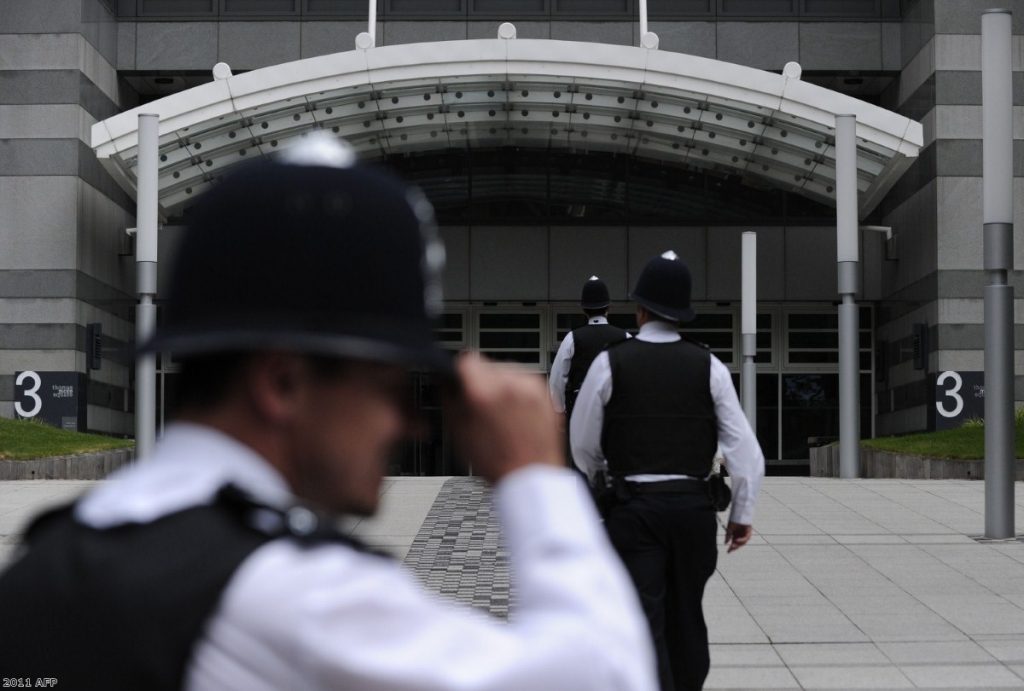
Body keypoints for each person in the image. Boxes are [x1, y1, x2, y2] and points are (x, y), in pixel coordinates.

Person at [0, 136, 657, 691]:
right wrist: (531, 472)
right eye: (393, 386)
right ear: (283, 383)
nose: (415, 423)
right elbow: (607, 674)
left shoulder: (54, 555)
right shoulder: (295, 598)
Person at [570, 251, 765, 691]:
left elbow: (582, 444)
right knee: (687, 615)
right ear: (682, 313)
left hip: (634, 510)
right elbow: (746, 454)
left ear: (640, 310)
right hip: (694, 512)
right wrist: (742, 515)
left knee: (643, 620)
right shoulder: (709, 366)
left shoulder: (611, 363)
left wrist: (604, 479)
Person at [548, 275, 629, 422]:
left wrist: (559, 411)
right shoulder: (625, 337)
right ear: (608, 307)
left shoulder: (572, 338)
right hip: (616, 410)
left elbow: (557, 379)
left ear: (584, 309)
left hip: (581, 409)